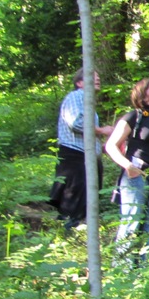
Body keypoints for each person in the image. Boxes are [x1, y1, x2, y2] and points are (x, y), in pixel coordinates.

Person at [104, 78, 149, 263]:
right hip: (137, 175)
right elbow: (111, 145)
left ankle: (143, 272)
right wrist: (128, 166)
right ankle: (122, 269)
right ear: (143, 97)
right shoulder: (134, 117)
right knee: (131, 223)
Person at [50, 69, 113, 229]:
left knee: (86, 197)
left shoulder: (87, 101)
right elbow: (76, 123)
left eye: (98, 77)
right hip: (75, 155)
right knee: (75, 198)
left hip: (84, 154)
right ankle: (69, 232)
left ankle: (79, 231)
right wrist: (102, 130)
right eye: (92, 77)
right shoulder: (77, 96)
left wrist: (102, 147)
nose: (97, 79)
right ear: (79, 83)